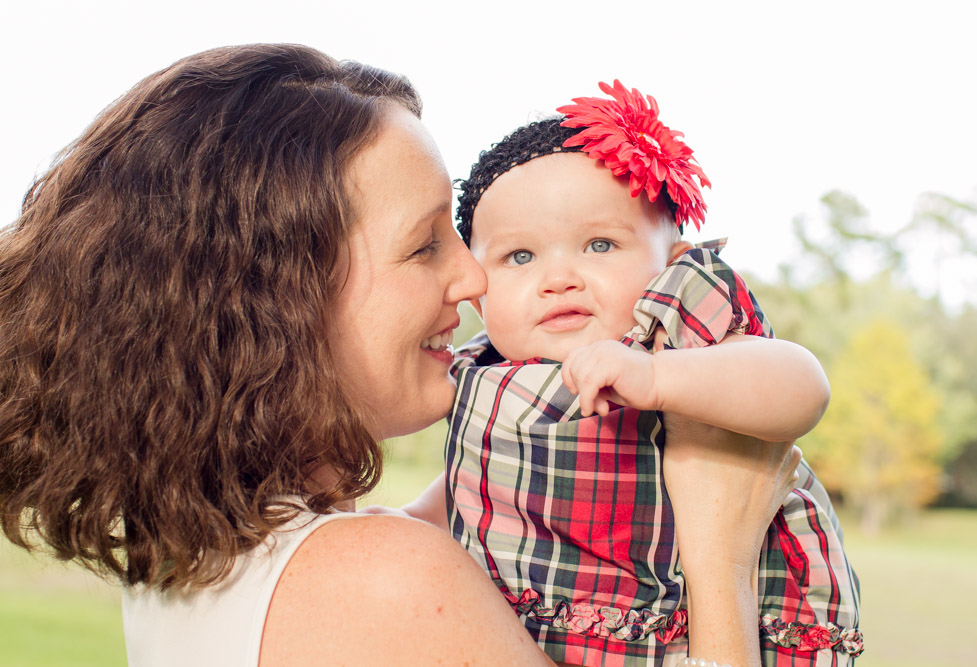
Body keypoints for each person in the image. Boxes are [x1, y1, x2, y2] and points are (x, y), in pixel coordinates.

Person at [0, 45, 802, 667]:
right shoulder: (380, 579)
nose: (474, 276)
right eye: (425, 246)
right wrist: (720, 556)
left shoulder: (190, 554)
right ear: (279, 300)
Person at [400, 83, 861, 666]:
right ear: (476, 289)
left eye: (599, 244)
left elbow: (802, 386)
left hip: (696, 625)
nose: (559, 277)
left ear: (670, 263)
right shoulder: (485, 374)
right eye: (520, 257)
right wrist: (401, 525)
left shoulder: (671, 331)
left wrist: (658, 377)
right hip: (537, 635)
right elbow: (473, 488)